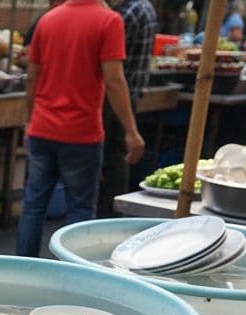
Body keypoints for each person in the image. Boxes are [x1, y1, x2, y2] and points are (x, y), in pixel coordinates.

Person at [16, 0, 144, 259]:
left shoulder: (48, 20)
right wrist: (131, 130)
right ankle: (74, 273)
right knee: (80, 210)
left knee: (33, 206)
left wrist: (29, 121)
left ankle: (24, 266)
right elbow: (114, 80)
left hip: (42, 128)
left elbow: (32, 76)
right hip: (81, 133)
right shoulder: (109, 21)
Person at [98, 0, 158, 219]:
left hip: (117, 98)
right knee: (115, 156)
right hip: (127, 95)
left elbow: (111, 68)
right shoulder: (144, 7)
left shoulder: (128, 13)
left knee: (112, 159)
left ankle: (107, 214)